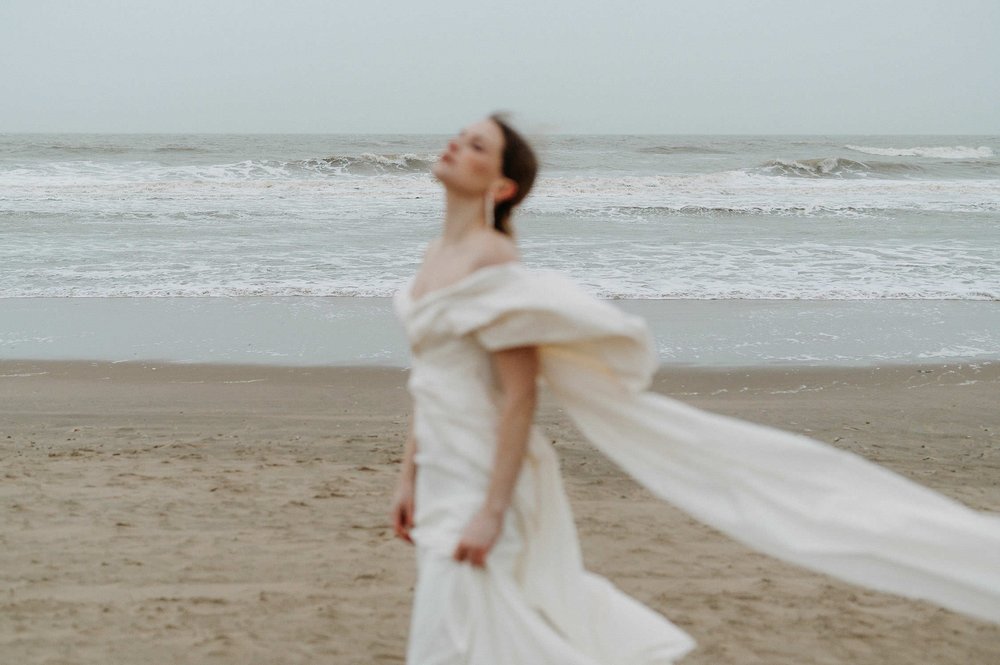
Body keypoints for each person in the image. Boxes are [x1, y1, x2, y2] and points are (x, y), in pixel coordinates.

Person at [389, 114, 1000, 664]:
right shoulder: (433, 254)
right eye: (460, 135)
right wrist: (408, 475)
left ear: (502, 187)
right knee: (473, 631)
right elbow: (432, 377)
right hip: (440, 469)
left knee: (462, 636)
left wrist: (492, 511)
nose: (454, 144)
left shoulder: (494, 261)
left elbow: (519, 396)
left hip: (480, 476)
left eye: (475, 145)